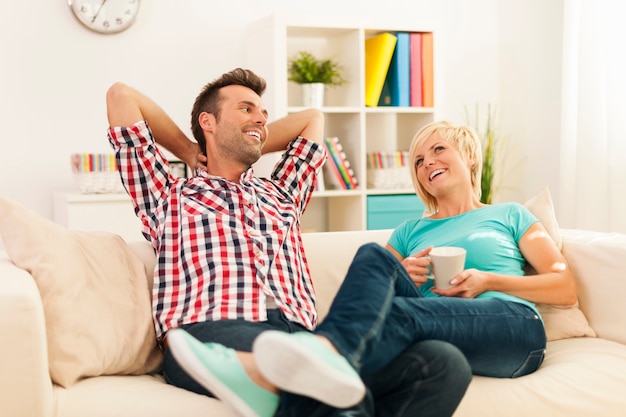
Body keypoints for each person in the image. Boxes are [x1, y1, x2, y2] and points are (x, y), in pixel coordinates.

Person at [106, 69, 472, 417]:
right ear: (208, 122)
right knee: (315, 388)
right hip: (213, 330)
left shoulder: (282, 194)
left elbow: (313, 119)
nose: (262, 119)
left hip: (306, 338)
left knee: (442, 363)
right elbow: (121, 97)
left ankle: (305, 385)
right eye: (246, 109)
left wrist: (252, 134)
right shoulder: (169, 195)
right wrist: (189, 149)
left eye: (264, 114)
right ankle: (302, 385)